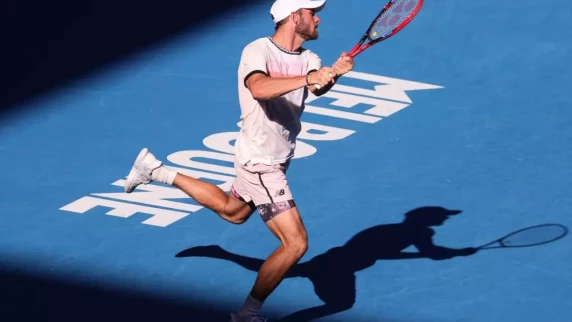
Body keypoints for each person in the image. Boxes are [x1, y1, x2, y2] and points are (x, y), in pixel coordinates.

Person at [122, 0, 354, 320]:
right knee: (296, 244)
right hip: (261, 161)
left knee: (234, 213)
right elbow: (259, 88)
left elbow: (315, 88)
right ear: (293, 16)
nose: (318, 20)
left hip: (274, 155)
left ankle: (155, 170)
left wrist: (332, 76)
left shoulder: (309, 59)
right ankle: (247, 314)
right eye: (312, 13)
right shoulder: (257, 51)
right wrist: (308, 78)